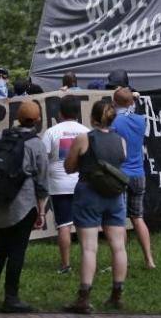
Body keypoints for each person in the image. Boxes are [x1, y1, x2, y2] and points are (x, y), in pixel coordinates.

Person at [0, 100, 49, 312]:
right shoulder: (36, 144)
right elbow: (42, 182)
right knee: (17, 250)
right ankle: (12, 298)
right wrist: (41, 210)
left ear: (17, 117)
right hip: (23, 206)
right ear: (37, 120)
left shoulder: (2, 136)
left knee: (1, 248)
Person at [63, 100, 128, 313]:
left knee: (89, 247)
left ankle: (83, 298)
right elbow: (122, 160)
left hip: (89, 193)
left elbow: (69, 167)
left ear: (92, 118)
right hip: (115, 196)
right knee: (118, 246)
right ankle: (117, 295)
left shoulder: (84, 138)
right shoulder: (121, 140)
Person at [43, 95, 90, 274]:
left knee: (63, 225)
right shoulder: (86, 131)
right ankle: (88, 261)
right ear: (78, 112)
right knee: (84, 225)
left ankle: (65, 265)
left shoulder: (51, 132)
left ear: (60, 113)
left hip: (58, 185)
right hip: (82, 184)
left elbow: (42, 158)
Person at [110, 87, 155, 269]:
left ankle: (120, 261)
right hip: (138, 174)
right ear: (131, 102)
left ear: (114, 103)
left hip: (120, 173)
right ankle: (149, 259)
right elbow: (131, 105)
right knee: (138, 217)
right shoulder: (140, 120)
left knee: (119, 220)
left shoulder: (114, 122)